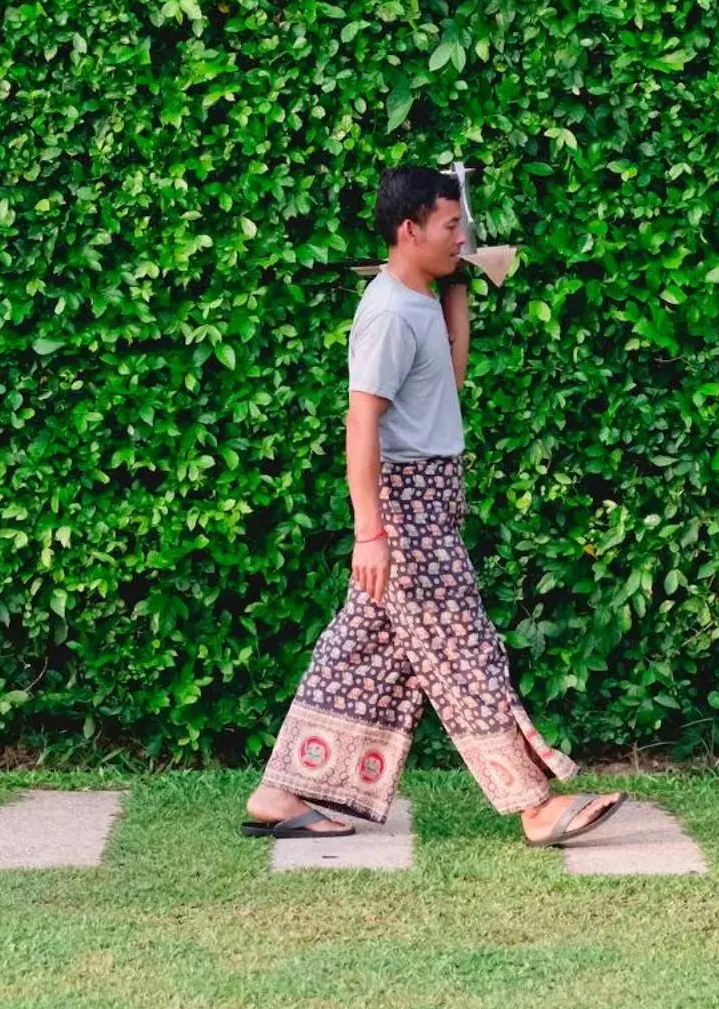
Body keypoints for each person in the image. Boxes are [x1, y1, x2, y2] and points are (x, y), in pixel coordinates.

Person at [241, 167, 626, 846]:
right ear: (409, 230)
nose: (462, 236)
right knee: (464, 650)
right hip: (405, 508)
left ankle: (280, 789)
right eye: (450, 226)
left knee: (360, 652)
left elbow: (448, 376)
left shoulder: (420, 296)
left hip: (431, 501)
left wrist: (460, 281)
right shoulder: (388, 311)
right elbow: (362, 423)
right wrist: (372, 531)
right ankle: (535, 803)